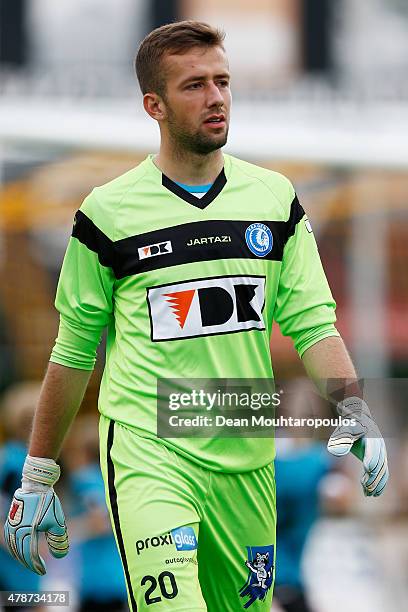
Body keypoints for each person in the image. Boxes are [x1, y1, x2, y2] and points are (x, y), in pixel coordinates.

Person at [4, 21, 389, 612]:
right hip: (148, 451)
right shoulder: (106, 213)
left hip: (246, 453)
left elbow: (313, 324)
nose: (215, 98)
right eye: (194, 86)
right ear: (153, 105)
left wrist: (354, 408)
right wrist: (38, 473)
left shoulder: (274, 199)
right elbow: (73, 352)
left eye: (223, 81)